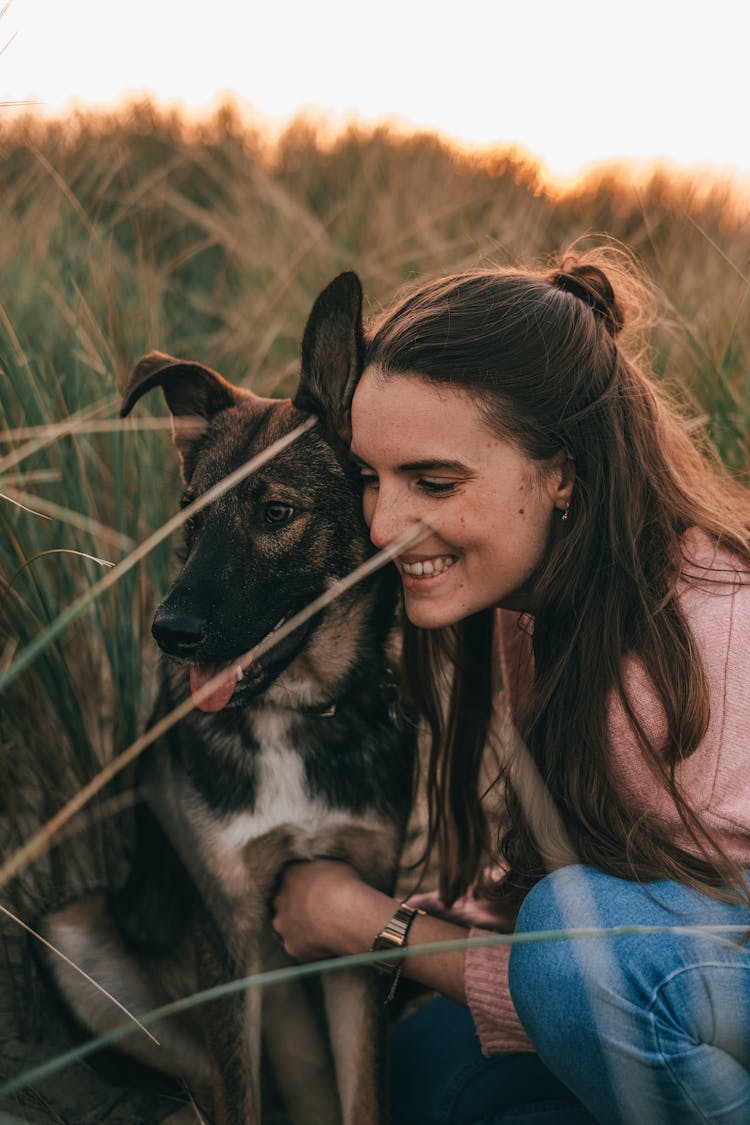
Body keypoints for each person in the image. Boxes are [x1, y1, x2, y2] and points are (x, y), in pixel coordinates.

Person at [272, 250, 750, 1124]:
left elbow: (604, 964)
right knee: (429, 1070)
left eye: (435, 481)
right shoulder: (542, 603)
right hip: (671, 987)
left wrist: (375, 927)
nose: (382, 525)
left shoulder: (697, 642)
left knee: (567, 958)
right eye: (370, 478)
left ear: (562, 472)